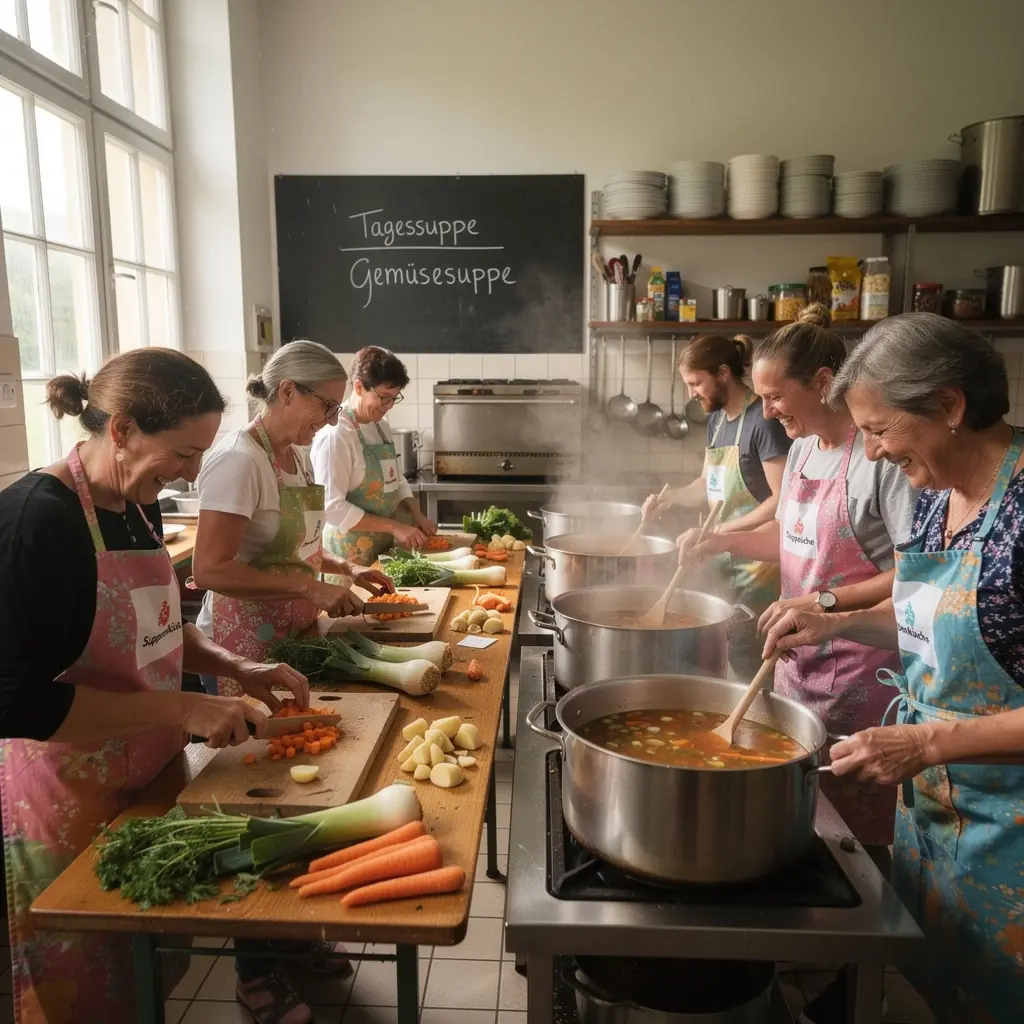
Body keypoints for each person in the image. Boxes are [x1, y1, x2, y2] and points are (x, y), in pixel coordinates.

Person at [0, 349, 307, 1024]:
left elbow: (162, 627)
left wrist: (239, 667)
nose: (192, 473)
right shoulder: (36, 521)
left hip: (150, 776)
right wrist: (185, 706)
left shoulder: (137, 506)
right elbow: (17, 702)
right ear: (122, 430)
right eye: (184, 453)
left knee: (149, 966)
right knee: (84, 983)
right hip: (71, 793)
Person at [763, 314, 1024, 1024]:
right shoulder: (939, 497)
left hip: (1010, 840)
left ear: (949, 405)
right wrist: (834, 622)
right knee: (930, 990)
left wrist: (928, 742)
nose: (873, 452)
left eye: (879, 430)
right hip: (935, 819)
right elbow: (925, 620)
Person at [190, 340, 393, 1023]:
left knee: (307, 790)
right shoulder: (237, 460)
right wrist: (308, 586)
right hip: (243, 647)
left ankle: (296, 933)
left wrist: (340, 571)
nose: (330, 419)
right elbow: (211, 569)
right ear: (286, 393)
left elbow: (301, 550)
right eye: (325, 405)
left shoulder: (296, 456)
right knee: (261, 803)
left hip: (292, 637)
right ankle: (255, 968)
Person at [690, 305, 919, 863]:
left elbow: (915, 573)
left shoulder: (879, 461)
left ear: (821, 383)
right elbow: (790, 539)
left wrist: (822, 602)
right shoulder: (800, 450)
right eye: (762, 398)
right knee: (800, 824)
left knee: (859, 848)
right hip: (795, 666)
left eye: (775, 397)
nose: (767, 411)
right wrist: (723, 541)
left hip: (863, 675)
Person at [641, 334, 792, 679]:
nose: (691, 393)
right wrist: (667, 499)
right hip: (722, 566)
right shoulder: (718, 420)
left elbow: (782, 499)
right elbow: (706, 483)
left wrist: (720, 532)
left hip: (758, 574)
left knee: (749, 666)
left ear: (723, 373)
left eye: (696, 383)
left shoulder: (762, 421)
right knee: (722, 665)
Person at [311, 346, 436, 575]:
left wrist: (416, 514)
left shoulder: (380, 425)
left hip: (380, 549)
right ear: (359, 387)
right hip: (347, 558)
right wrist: (395, 527)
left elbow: (395, 479)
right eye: (384, 397)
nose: (389, 406)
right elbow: (332, 507)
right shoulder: (337, 435)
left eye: (394, 398)